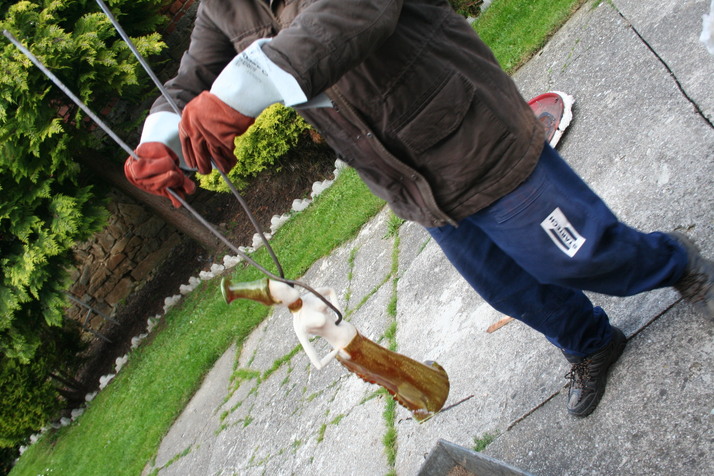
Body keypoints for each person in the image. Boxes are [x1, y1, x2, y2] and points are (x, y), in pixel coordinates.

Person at [124, 0, 714, 417]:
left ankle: (677, 264)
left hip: (467, 126)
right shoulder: (222, 6)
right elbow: (189, 79)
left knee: (573, 254)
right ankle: (591, 342)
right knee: (507, 287)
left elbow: (357, 11)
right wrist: (158, 140)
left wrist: (239, 93)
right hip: (403, 173)